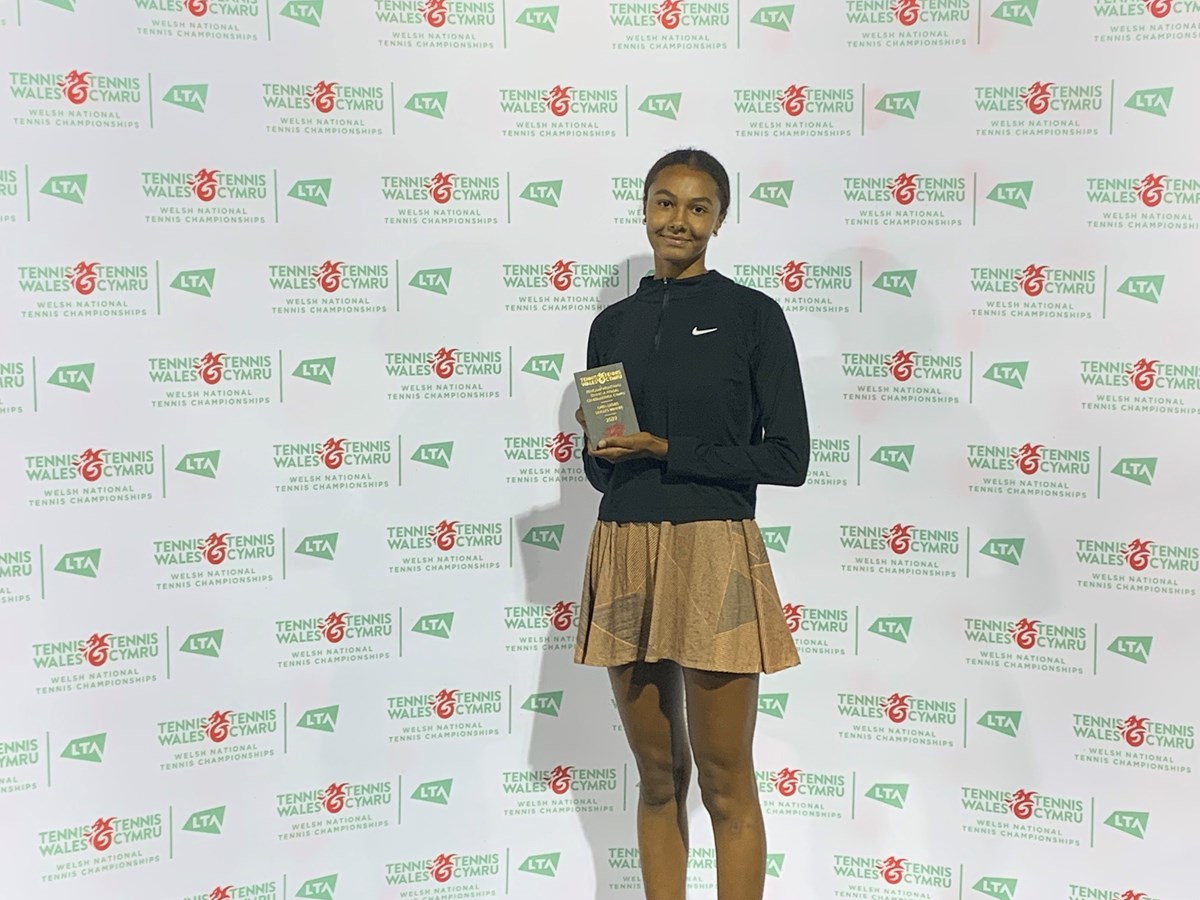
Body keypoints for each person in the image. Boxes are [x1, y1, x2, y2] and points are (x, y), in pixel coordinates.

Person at [573, 148, 810, 900]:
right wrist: (597, 449)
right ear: (645, 209)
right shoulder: (612, 325)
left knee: (724, 777)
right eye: (665, 203)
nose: (680, 220)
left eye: (698, 206)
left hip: (714, 546)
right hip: (624, 547)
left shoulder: (752, 316)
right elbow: (605, 472)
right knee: (655, 776)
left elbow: (789, 457)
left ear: (720, 219)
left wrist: (669, 449)